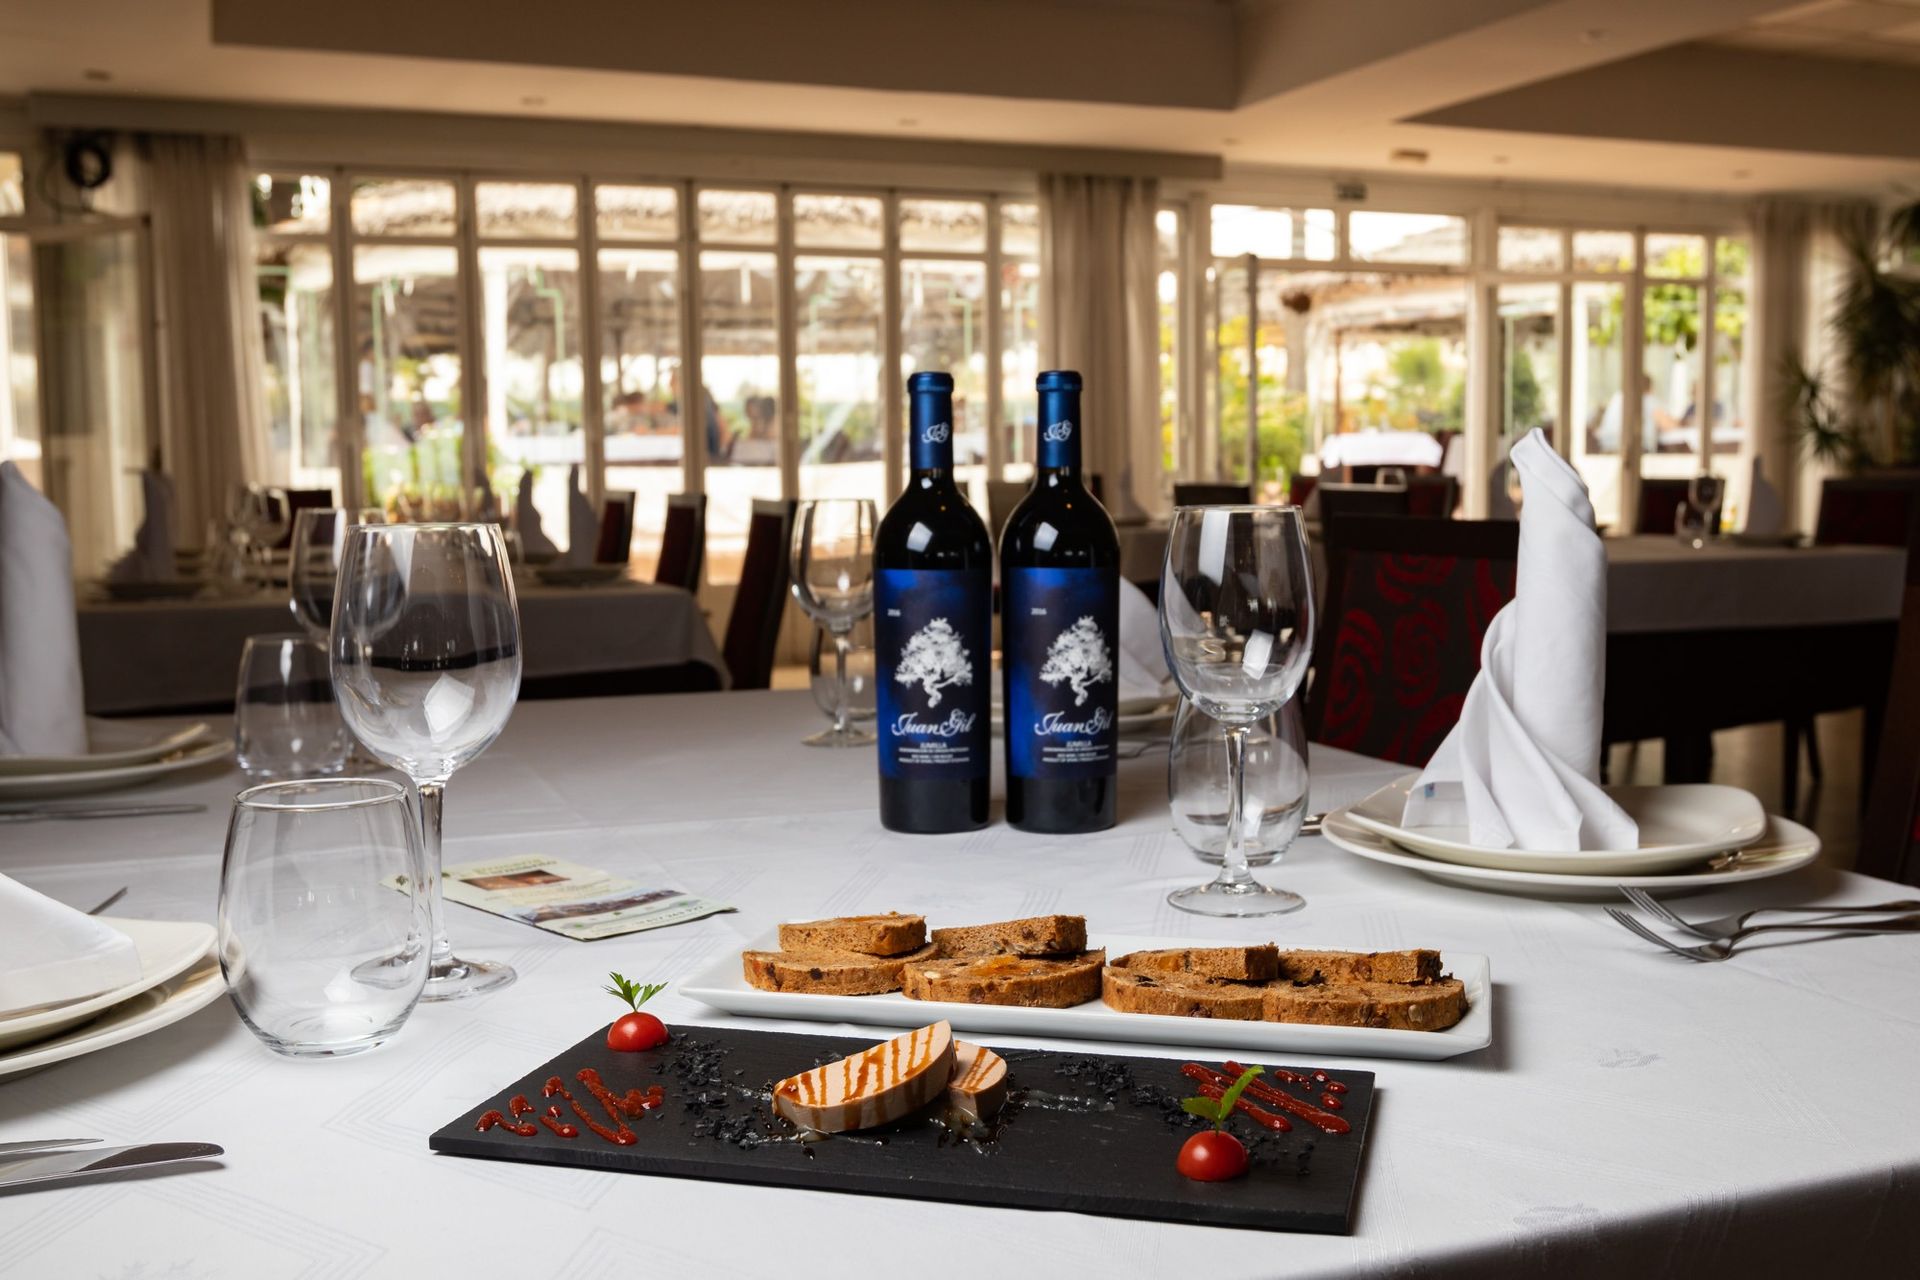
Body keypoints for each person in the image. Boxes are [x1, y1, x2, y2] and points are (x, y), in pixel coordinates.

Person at [1593, 375, 1677, 454]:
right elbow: (1670, 425)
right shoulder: (1647, 399)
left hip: (1606, 448)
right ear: (1650, 387)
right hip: (1635, 451)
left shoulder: (1617, 397)